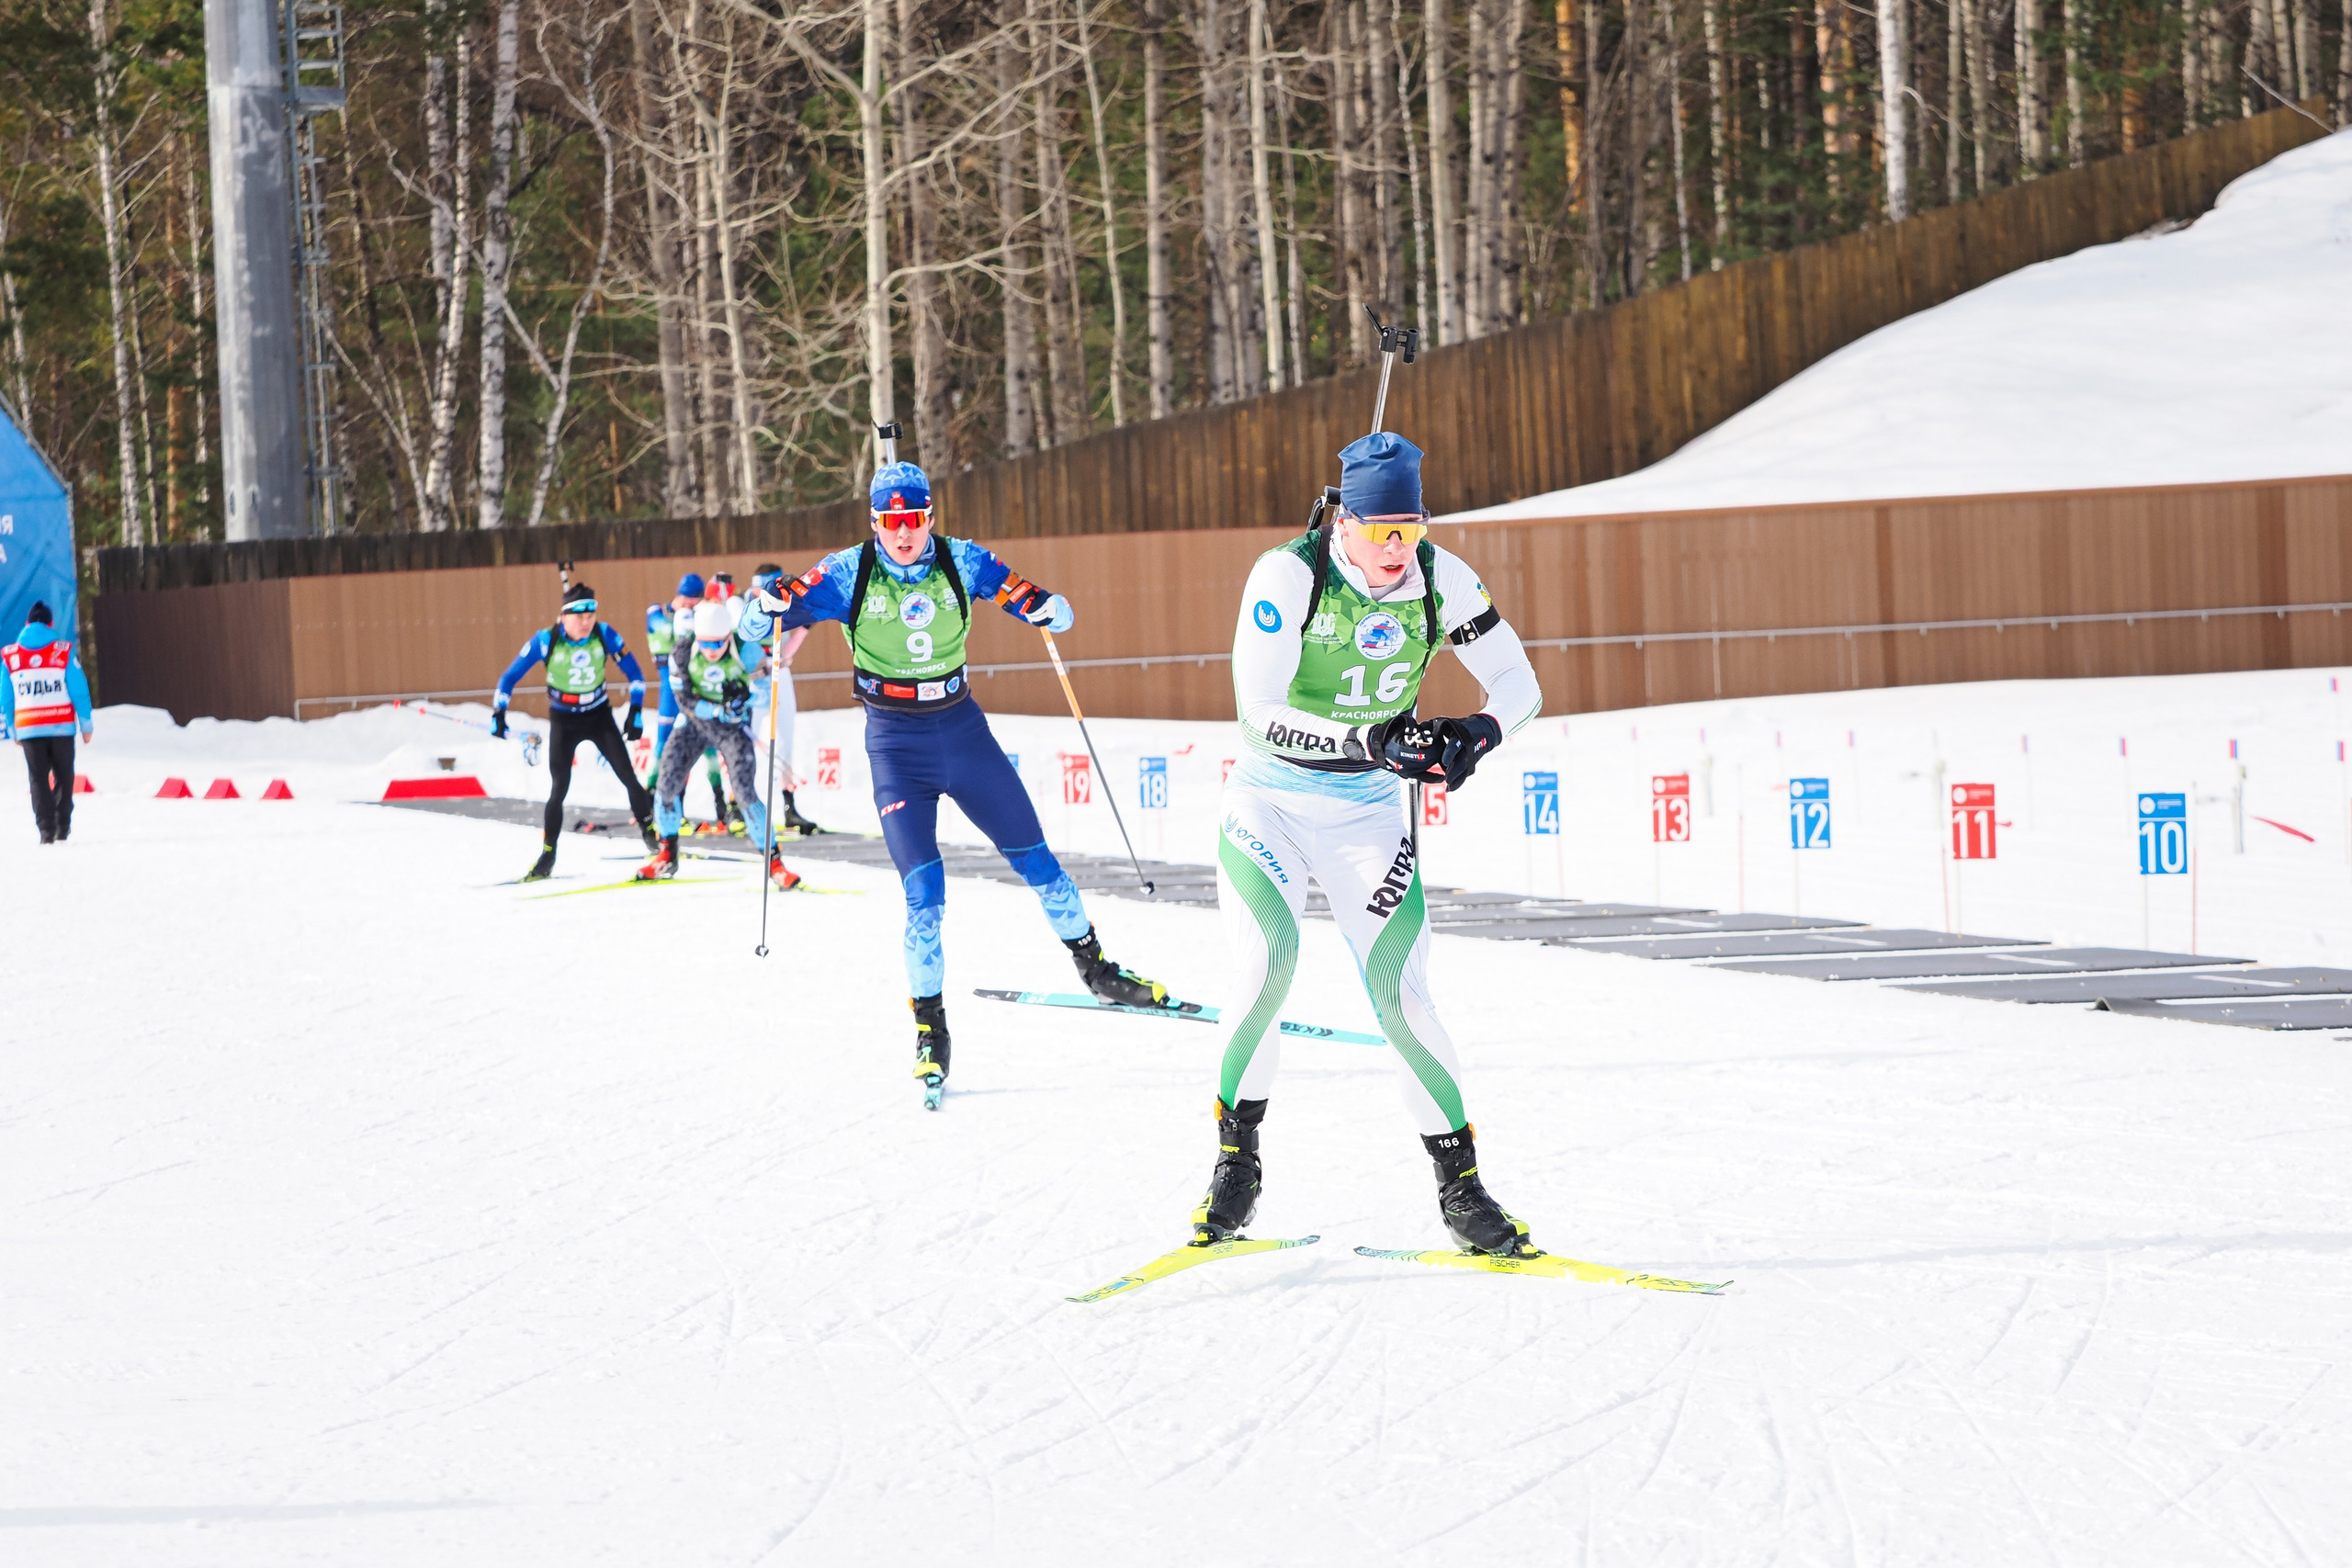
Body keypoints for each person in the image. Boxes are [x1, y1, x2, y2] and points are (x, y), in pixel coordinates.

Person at [1193, 431, 1545, 1257]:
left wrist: (1476, 732)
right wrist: (1370, 742)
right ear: (1341, 518)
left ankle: (1462, 1189)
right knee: (1266, 963)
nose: (1397, 550)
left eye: (1411, 530)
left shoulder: (1439, 578)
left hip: (1366, 814)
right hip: (1270, 800)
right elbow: (1257, 710)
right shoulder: (1289, 574)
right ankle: (1236, 1160)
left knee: (1402, 992)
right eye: (1381, 530)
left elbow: (1521, 684)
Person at [741, 458, 1167, 1100]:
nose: (904, 534)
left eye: (914, 521)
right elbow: (762, 626)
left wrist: (1051, 608)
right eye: (891, 522)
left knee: (1038, 859)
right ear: (875, 523)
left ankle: (1097, 969)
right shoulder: (845, 571)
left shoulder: (960, 560)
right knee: (926, 895)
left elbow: (1029, 597)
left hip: (962, 733)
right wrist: (760, 608)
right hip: (895, 743)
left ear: (931, 518)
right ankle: (930, 1031)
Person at [492, 582, 658, 881]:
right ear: (564, 616)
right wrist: (499, 712)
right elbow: (509, 677)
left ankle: (651, 835)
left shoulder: (604, 634)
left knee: (629, 777)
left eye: (591, 612)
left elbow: (635, 674)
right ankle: (548, 854)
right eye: (579, 614)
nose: (586, 620)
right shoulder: (546, 640)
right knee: (558, 789)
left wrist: (635, 711)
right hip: (564, 720)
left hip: (598, 716)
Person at [641, 599, 798, 891]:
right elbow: (683, 700)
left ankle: (775, 863)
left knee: (745, 794)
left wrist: (744, 700)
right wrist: (717, 710)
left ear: (729, 636)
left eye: (719, 644)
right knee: (666, 784)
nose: (712, 651)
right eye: (707, 644)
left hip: (733, 730)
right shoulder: (683, 651)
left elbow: (766, 691)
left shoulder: (745, 648)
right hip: (694, 724)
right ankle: (667, 853)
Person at [3, 601, 93, 844]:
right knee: (64, 776)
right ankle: (62, 826)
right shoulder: (63, 651)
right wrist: (86, 726)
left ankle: (45, 831)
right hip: (61, 727)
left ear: (27, 624)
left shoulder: (11, 656)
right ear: (51, 624)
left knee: (38, 779)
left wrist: (13, 731)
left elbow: (6, 699)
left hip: (29, 728)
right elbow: (79, 690)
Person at [746, 563, 819, 837]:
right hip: (753, 679)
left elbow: (785, 652)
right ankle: (738, 804)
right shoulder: (746, 607)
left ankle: (789, 806)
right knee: (746, 743)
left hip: (779, 673)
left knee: (785, 739)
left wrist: (806, 624)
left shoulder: (789, 605)